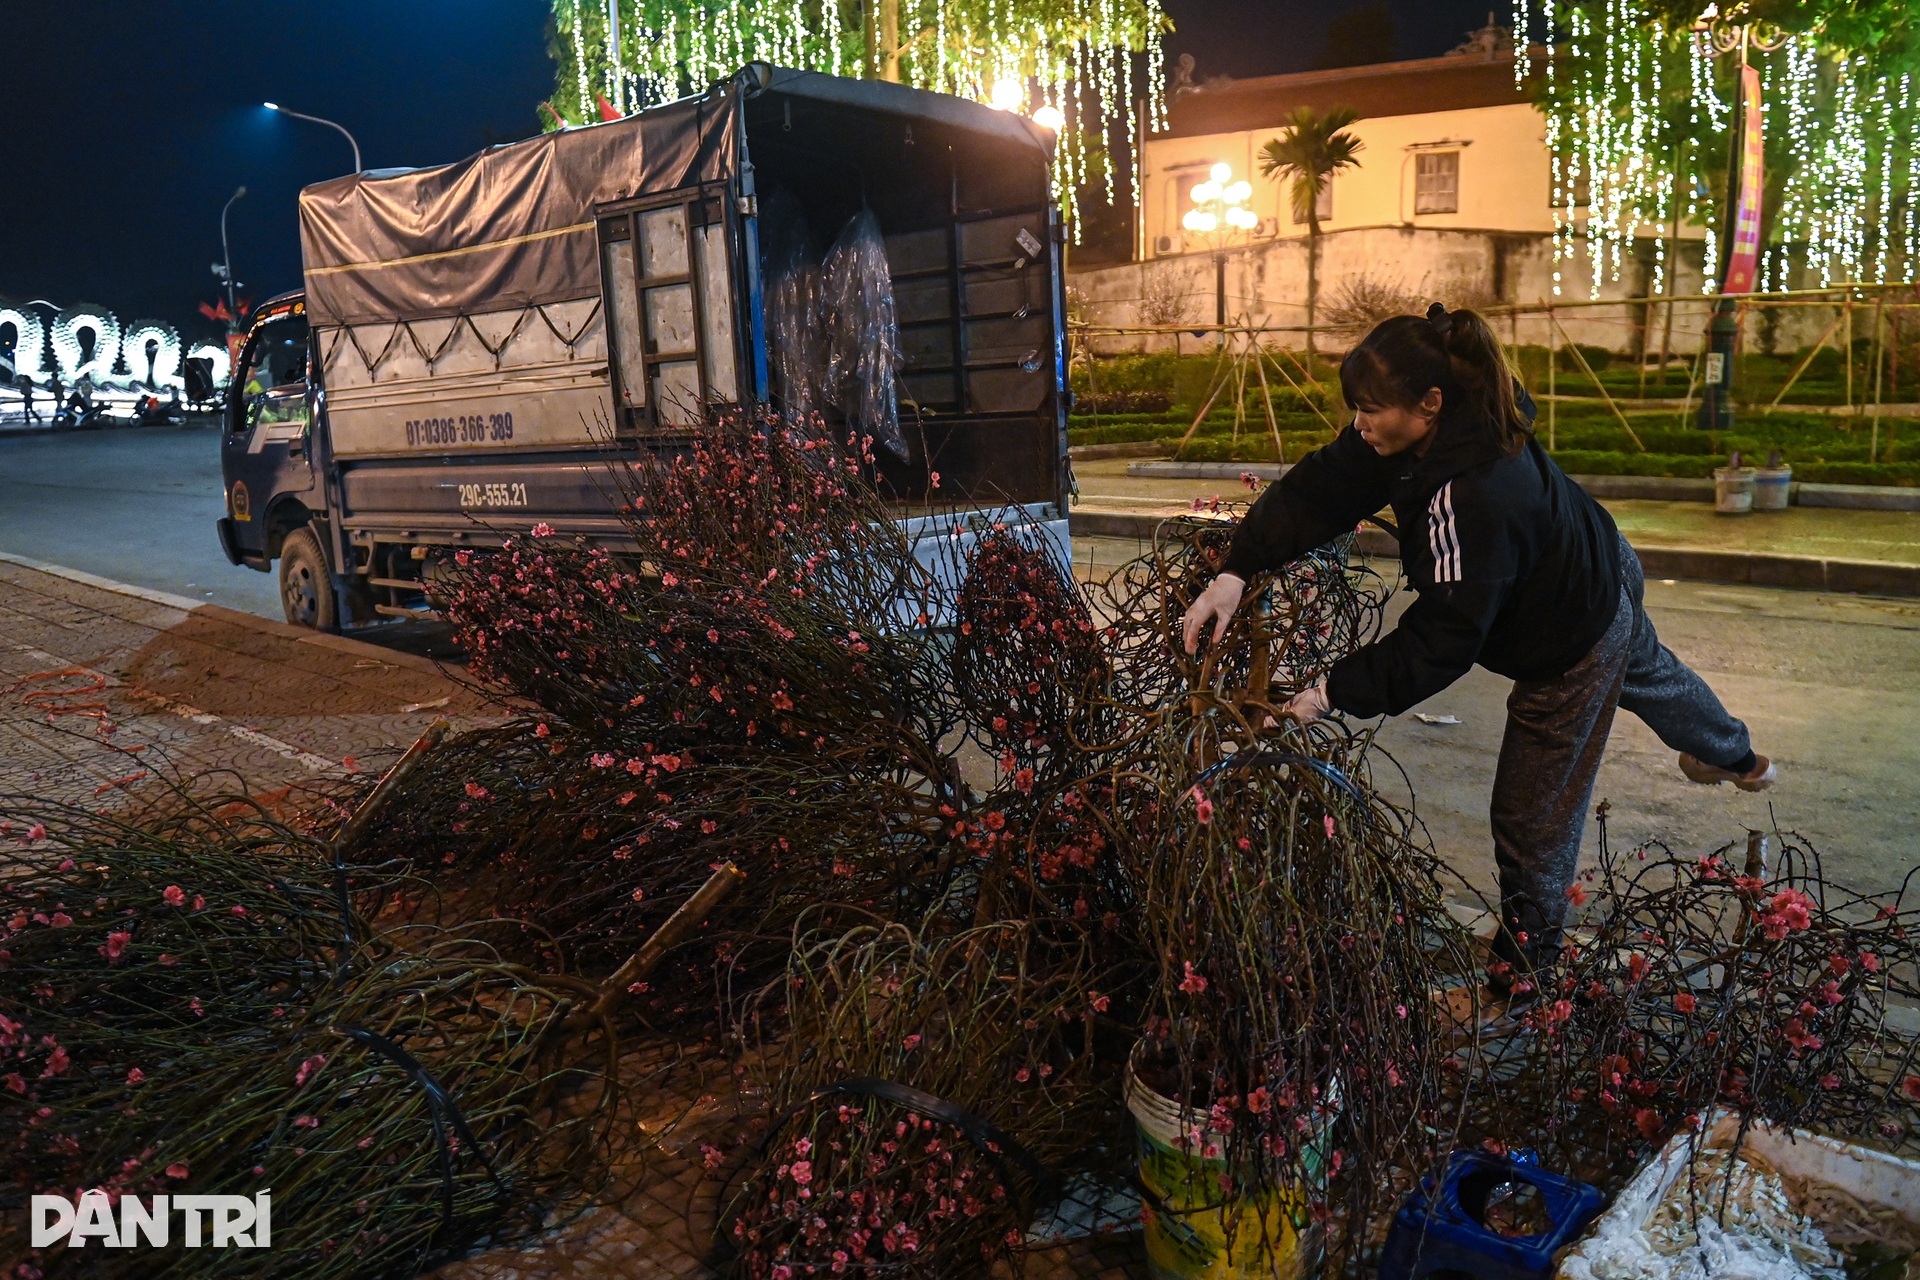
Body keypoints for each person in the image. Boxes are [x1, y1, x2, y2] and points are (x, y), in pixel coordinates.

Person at [1181, 304, 1774, 997]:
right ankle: (1738, 757)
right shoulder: (1450, 414)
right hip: (1595, 560)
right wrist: (1236, 568)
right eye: (1357, 409)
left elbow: (1444, 637)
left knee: (1532, 818)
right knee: (1647, 670)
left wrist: (1327, 693)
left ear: (1429, 404)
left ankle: (1523, 984)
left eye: (1370, 410)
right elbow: (1324, 485)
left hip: (1567, 635)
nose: (1360, 424)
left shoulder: (1472, 494)